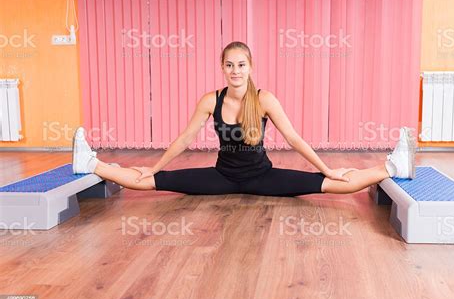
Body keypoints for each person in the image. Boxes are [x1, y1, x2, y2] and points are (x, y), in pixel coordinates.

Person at [72, 41, 416, 197]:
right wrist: (156, 166)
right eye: (229, 65)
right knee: (150, 182)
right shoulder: (211, 99)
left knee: (333, 186)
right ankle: (91, 163)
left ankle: (393, 166)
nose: (235, 71)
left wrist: (326, 169)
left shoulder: (264, 99)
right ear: (222, 68)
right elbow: (184, 140)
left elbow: (294, 139)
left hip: (262, 177)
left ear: (250, 67)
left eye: (241, 64)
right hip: (221, 177)